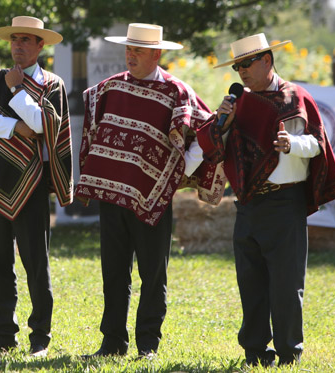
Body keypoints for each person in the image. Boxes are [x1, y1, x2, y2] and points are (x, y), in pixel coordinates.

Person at [76, 23, 224, 359]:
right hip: (112, 199)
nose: (130, 55)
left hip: (153, 200)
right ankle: (112, 343)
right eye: (128, 49)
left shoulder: (176, 92)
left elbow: (205, 130)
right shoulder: (109, 89)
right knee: (113, 272)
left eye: (138, 51)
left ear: (157, 54)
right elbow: (92, 131)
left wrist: (175, 174)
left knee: (152, 274)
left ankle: (148, 346)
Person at [198, 33, 335, 367]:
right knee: (250, 282)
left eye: (247, 63)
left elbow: (319, 144)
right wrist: (223, 123)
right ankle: (254, 351)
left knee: (285, 282)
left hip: (285, 203)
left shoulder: (295, 96)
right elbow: (210, 144)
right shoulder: (238, 103)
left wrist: (292, 143)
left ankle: (289, 351)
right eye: (237, 66)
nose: (242, 72)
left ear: (267, 60)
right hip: (248, 203)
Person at [0, 15, 72, 358]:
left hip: (34, 183)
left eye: (26, 40)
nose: (18, 46)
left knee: (35, 262)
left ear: (41, 46)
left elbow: (44, 125)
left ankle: (40, 337)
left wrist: (15, 91)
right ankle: (3, 336)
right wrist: (13, 129)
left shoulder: (52, 84)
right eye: (14, 40)